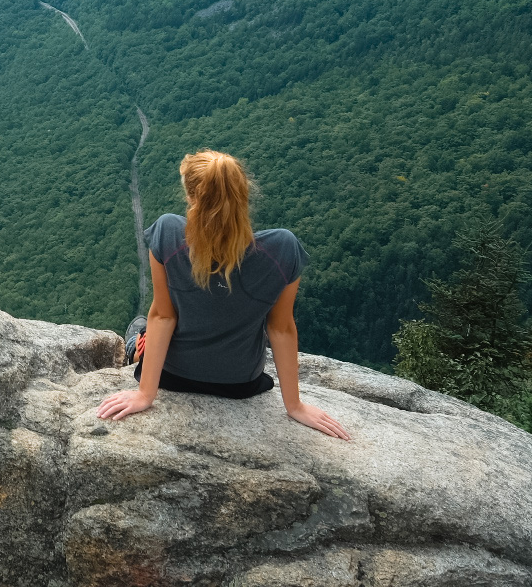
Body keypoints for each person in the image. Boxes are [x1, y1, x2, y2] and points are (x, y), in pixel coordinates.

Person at [96, 150, 350, 440]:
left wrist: (145, 394)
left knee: (143, 323)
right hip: (240, 383)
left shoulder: (167, 233)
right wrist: (294, 406)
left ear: (192, 197)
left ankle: (134, 347)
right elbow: (280, 328)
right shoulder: (283, 249)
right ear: (242, 196)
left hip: (172, 377)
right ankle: (137, 341)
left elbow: (164, 315)